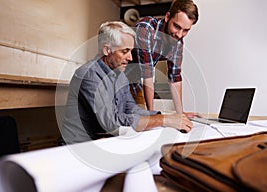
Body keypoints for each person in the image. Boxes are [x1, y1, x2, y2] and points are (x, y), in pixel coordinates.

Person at [61, 21, 193, 144]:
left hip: (102, 142)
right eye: (125, 51)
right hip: (77, 147)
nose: (130, 58)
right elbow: (111, 123)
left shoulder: (121, 76)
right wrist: (164, 120)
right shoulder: (88, 75)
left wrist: (165, 116)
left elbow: (132, 109)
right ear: (107, 50)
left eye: (131, 51)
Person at [125, 0, 199, 116]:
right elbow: (147, 74)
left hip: (135, 85)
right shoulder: (146, 29)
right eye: (176, 26)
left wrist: (180, 114)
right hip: (116, 81)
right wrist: (152, 115)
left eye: (185, 30)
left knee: (138, 125)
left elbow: (175, 78)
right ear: (167, 17)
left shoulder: (177, 43)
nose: (179, 35)